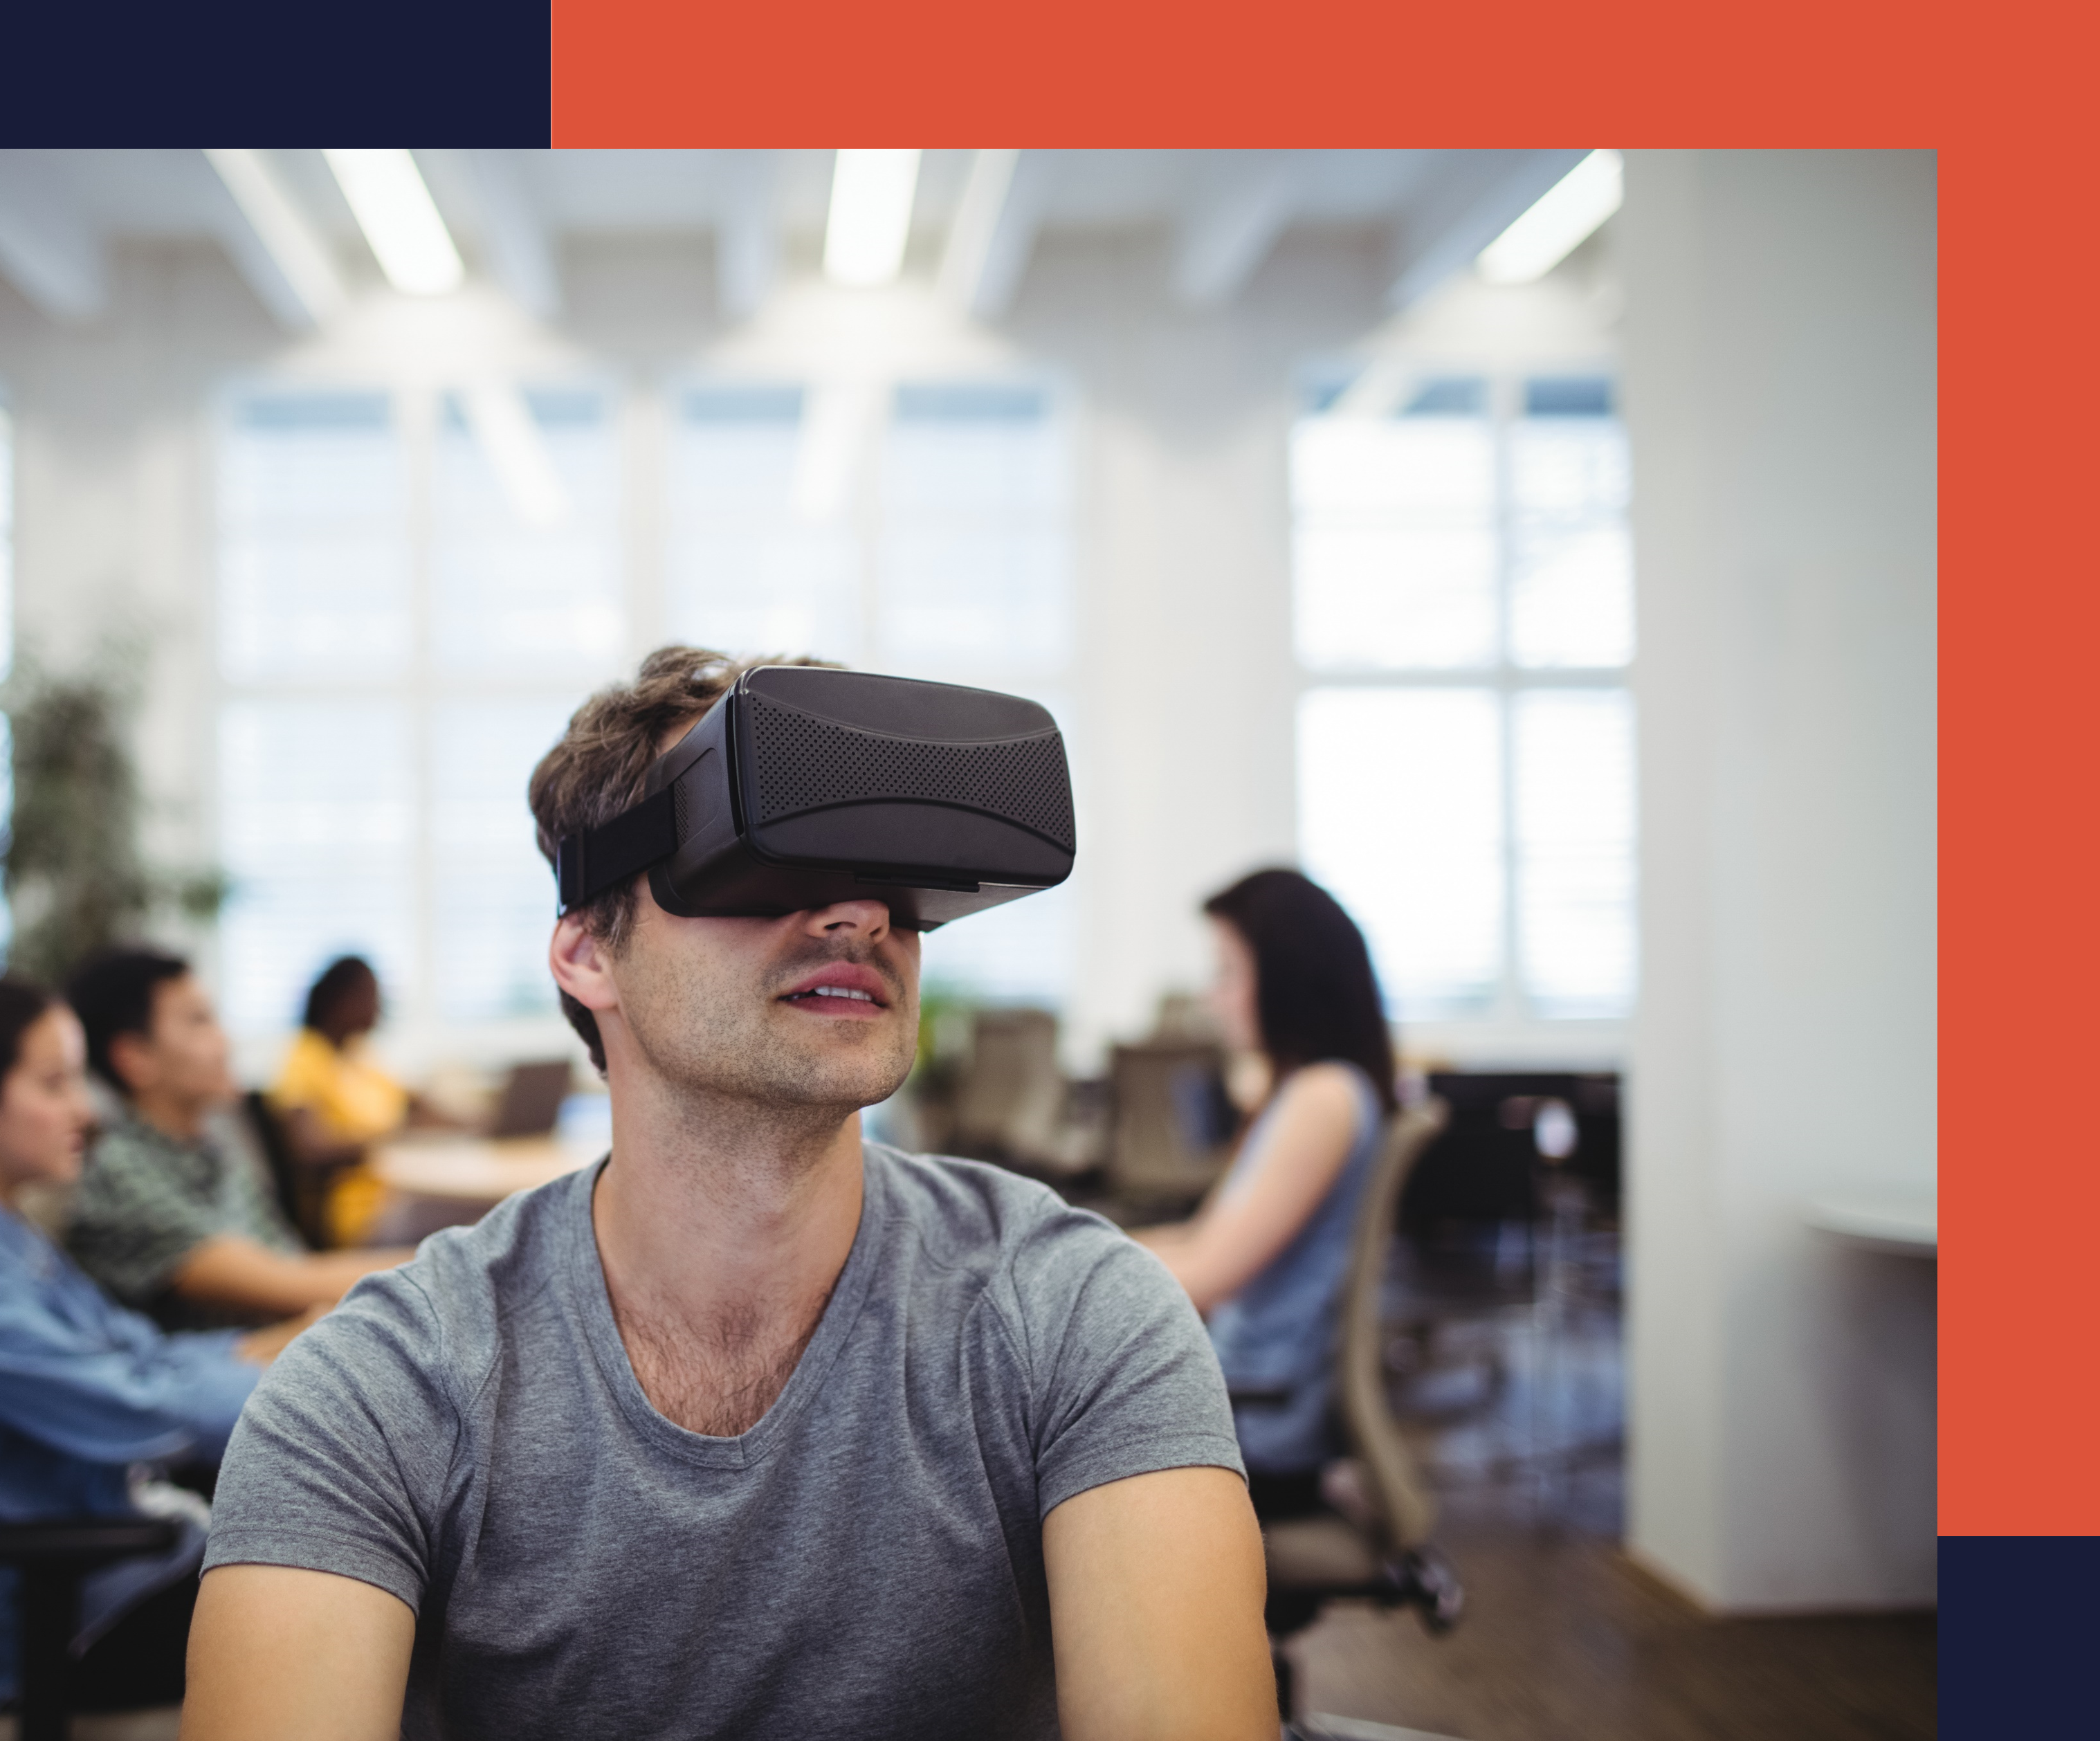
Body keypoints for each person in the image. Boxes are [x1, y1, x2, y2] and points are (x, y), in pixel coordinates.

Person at [185, 647, 1275, 1741]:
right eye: (762, 858)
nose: (858, 913)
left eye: (886, 872)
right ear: (586, 953)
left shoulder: (1078, 1317)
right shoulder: (385, 1390)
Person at [0, 980, 318, 1715]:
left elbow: (136, 1352)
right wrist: (323, 1383)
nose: (86, 1109)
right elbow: (139, 1408)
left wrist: (268, 1349)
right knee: (381, 1589)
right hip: (64, 1621)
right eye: (55, 1082)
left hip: (117, 1556)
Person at [1133, 868, 1399, 1521]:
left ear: (1284, 978)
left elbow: (1204, 1274)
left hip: (1261, 1422)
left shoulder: (1322, 1098)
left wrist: (1059, 1275)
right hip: (1248, 1398)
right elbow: (1201, 1241)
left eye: (1226, 972)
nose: (1210, 995)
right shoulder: (1302, 1094)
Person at [60, 947, 404, 1329]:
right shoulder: (120, 1174)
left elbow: (297, 1267)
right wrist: (453, 1264)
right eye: (199, 1022)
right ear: (135, 1057)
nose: (226, 1042)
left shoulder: (208, 1149)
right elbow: (288, 1285)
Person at [267, 955, 409, 1248]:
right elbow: (309, 1150)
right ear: (341, 1000)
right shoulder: (304, 1056)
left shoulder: (359, 1055)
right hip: (356, 1217)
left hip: (396, 1194)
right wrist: (391, 1140)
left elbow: (412, 1101)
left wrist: (476, 1121)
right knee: (471, 1226)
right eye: (372, 996)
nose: (380, 1008)